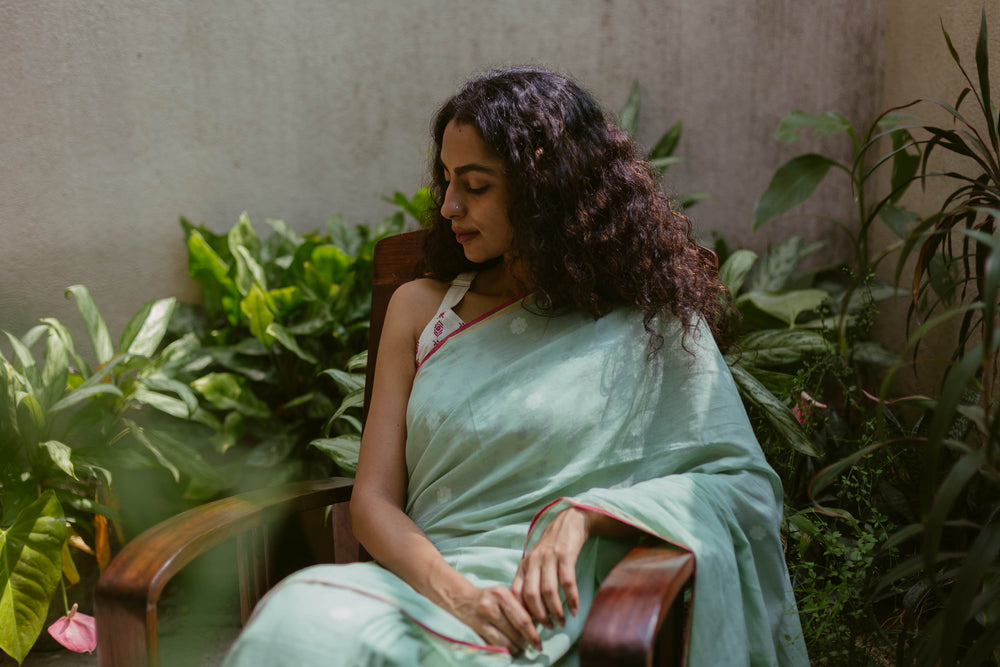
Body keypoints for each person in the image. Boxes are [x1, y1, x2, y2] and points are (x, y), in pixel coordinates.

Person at [223, 67, 808, 666]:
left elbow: (739, 486)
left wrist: (588, 516)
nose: (449, 205)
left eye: (475, 185)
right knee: (299, 623)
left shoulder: (651, 325)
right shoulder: (423, 310)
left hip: (552, 614)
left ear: (545, 189)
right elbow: (372, 501)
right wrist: (461, 597)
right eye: (447, 180)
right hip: (422, 592)